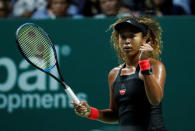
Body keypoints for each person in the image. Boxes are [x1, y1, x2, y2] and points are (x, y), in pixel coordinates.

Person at [72, 15, 167, 131]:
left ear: (144, 39)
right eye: (123, 37)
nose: (127, 41)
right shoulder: (114, 74)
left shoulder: (155, 66)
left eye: (132, 36)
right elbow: (115, 114)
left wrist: (144, 64)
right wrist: (90, 112)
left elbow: (155, 99)